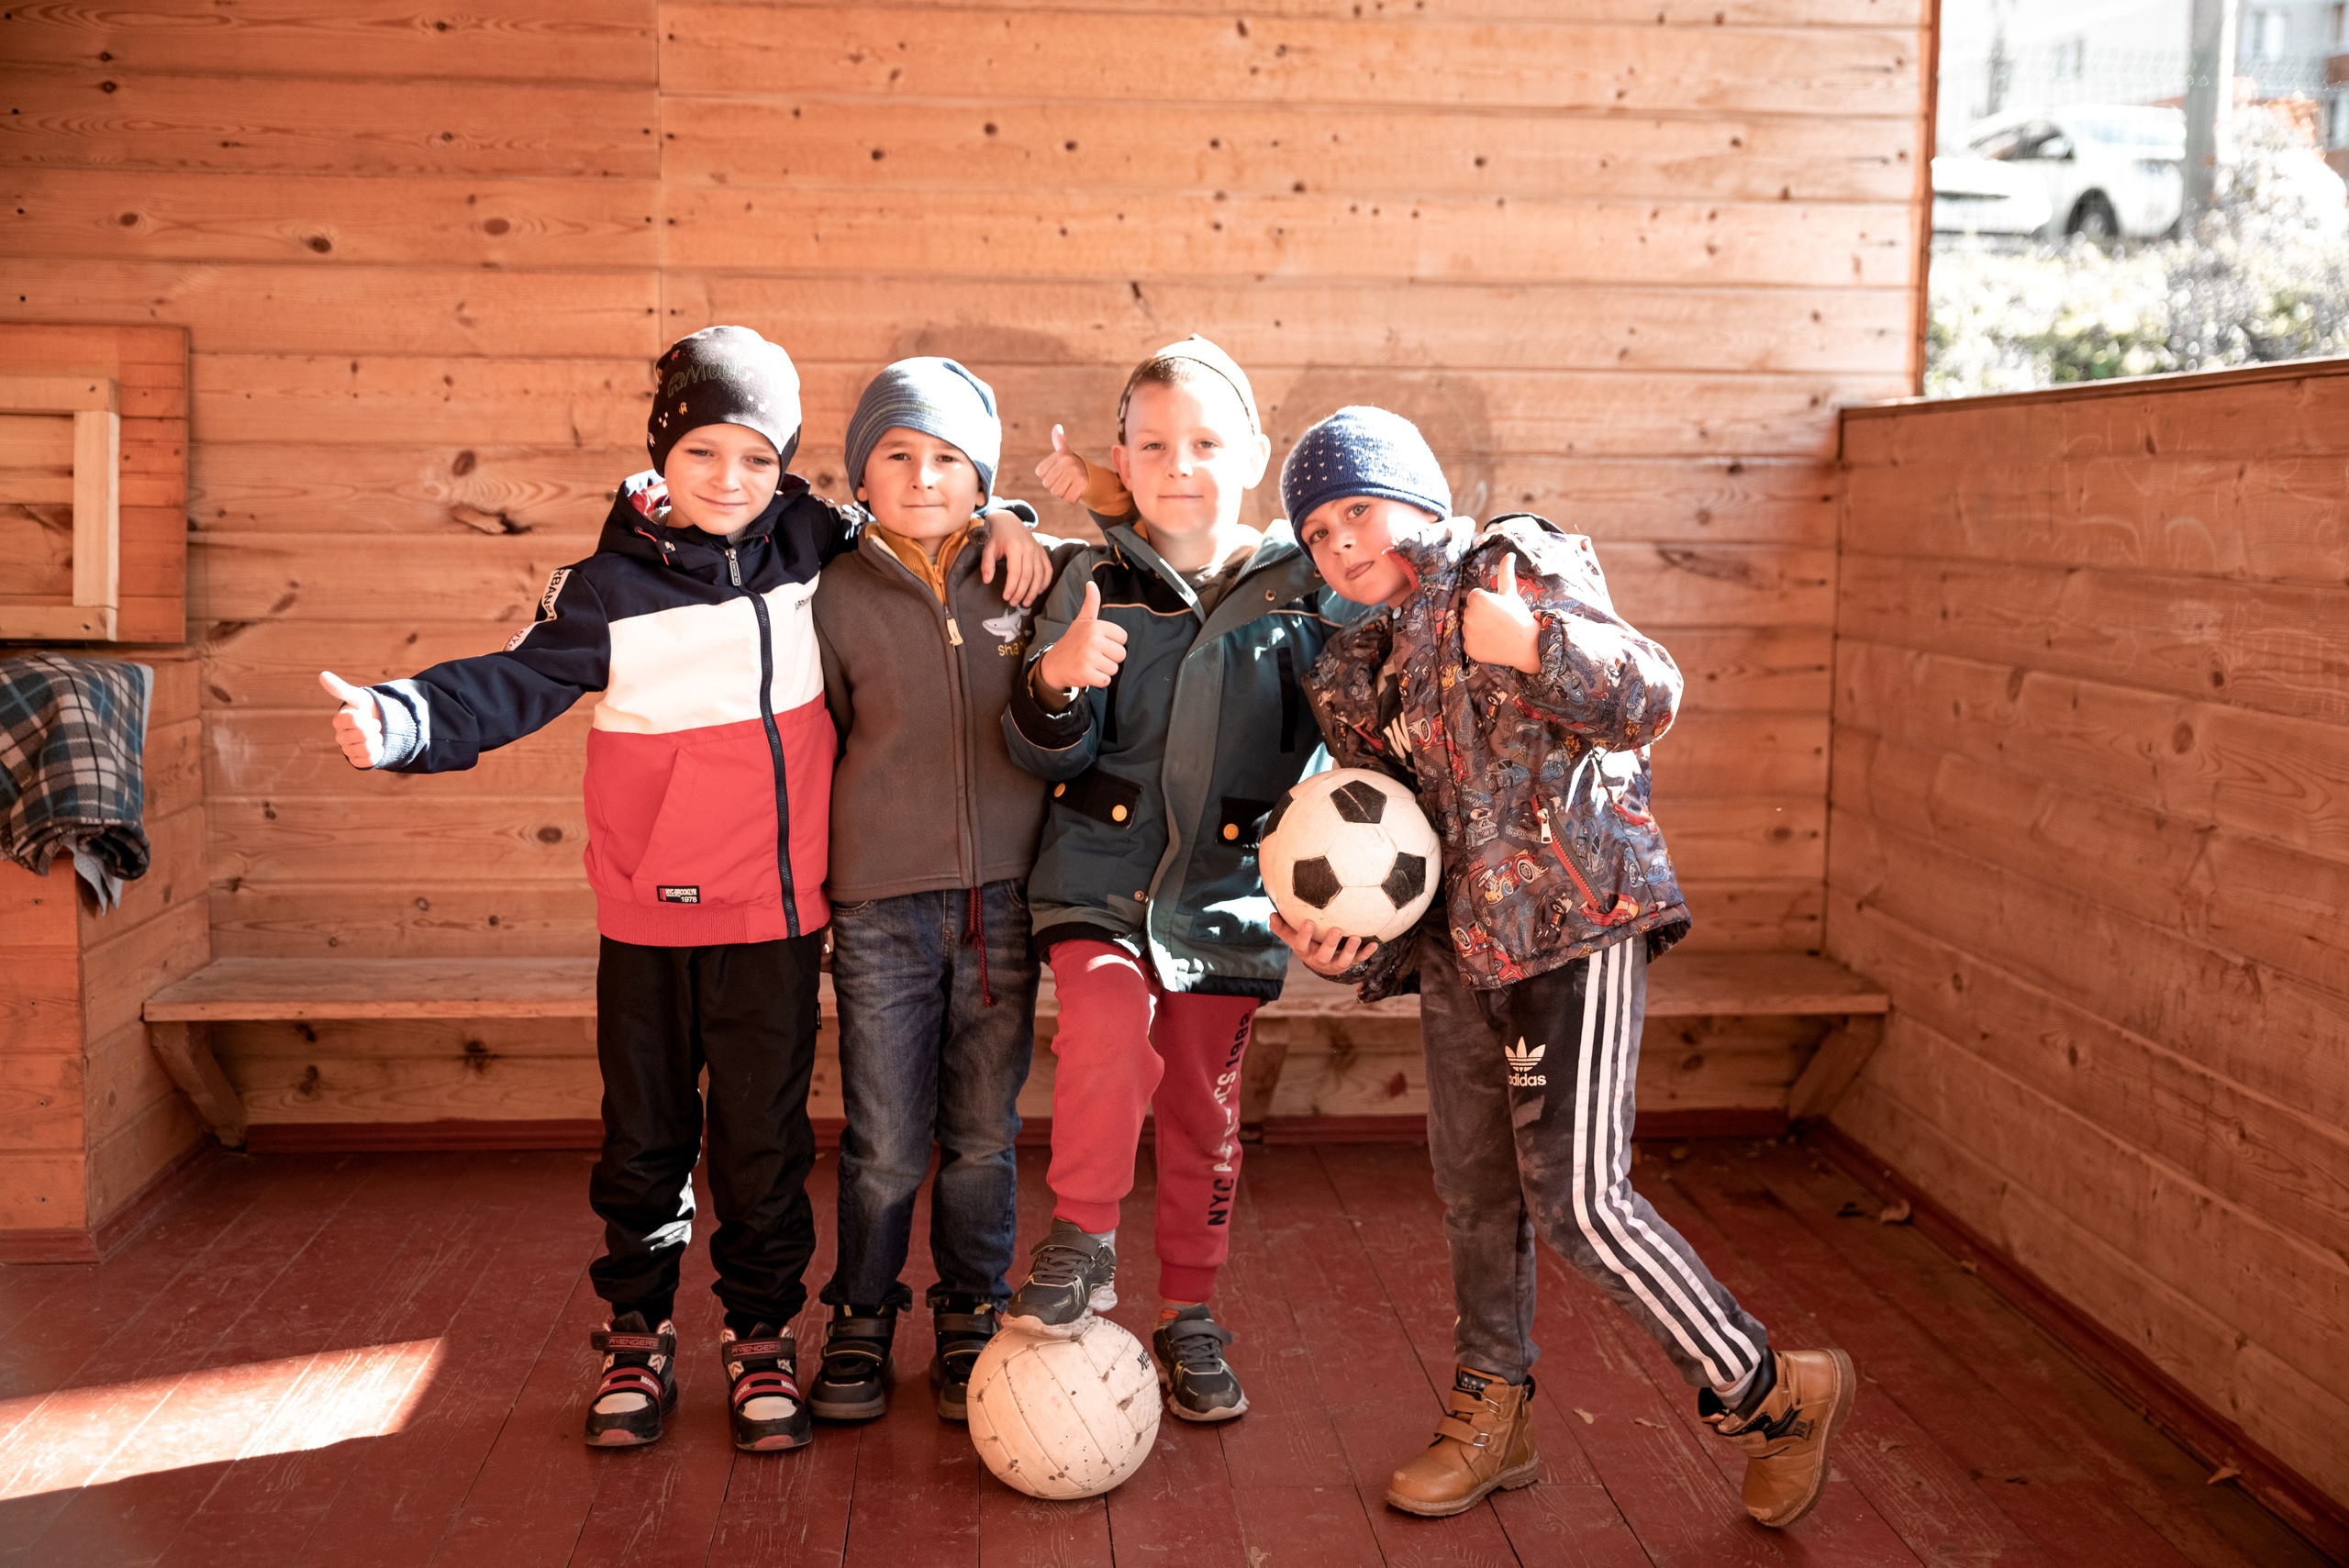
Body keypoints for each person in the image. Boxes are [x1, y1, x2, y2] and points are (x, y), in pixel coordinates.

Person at [317, 326, 1051, 1452]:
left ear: (789, 468)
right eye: (704, 453)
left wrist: (1010, 516)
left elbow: (930, 512)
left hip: (776, 914)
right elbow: (511, 679)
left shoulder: (816, 543)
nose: (730, 481)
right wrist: (402, 718)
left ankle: (761, 1334)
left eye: (757, 459)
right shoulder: (607, 590)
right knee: (645, 1138)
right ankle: (636, 1330)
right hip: (646, 915)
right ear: (662, 455)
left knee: (763, 1144)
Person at [1276, 406, 1856, 1528]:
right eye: (1317, 534)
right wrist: (1346, 939)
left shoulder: (1509, 562)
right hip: (1459, 961)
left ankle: (1772, 1393)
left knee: (1580, 1203)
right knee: (1475, 1194)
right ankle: (1494, 1412)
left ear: (1420, 497)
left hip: (1574, 929)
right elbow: (1393, 847)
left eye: (1358, 508)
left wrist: (1535, 645)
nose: (1342, 543)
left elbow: (1650, 694)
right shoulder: (1353, 666)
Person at [1002, 336, 1363, 1421]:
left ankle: (1189, 1311)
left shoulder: (1306, 592)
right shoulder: (1084, 576)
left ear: (1253, 454)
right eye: (1153, 445)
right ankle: (1083, 1238)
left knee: (1205, 1113)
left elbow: (1352, 729)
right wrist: (1058, 685)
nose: (1179, 465)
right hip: (1098, 882)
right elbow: (1043, 749)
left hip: (1226, 903)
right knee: (1106, 1030)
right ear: (1121, 454)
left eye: (1206, 443)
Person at [806, 357, 1084, 1423]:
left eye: (951, 460)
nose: (925, 477)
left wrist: (1013, 515)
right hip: (879, 903)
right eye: (898, 456)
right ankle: (863, 1312)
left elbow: (1098, 576)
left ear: (982, 477)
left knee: (981, 1129)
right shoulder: (830, 591)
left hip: (1002, 900)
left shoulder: (1034, 574)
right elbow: (817, 739)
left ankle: (972, 1304)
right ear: (861, 477)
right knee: (882, 1136)